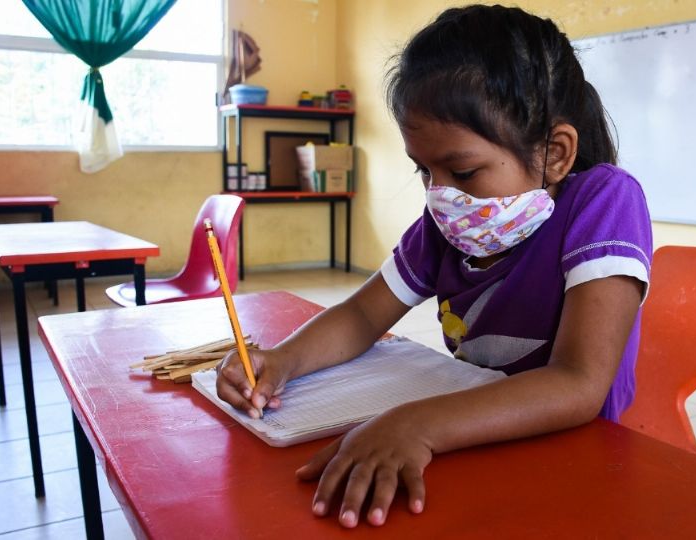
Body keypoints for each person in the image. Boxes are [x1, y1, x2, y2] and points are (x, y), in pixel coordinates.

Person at [217, 4, 652, 529]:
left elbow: (579, 383)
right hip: (467, 446)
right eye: (424, 170)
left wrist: (417, 424)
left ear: (554, 153)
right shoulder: (445, 226)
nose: (440, 194)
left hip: (572, 461)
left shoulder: (604, 202)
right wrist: (281, 361)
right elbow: (361, 317)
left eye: (463, 171)